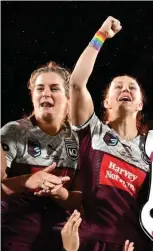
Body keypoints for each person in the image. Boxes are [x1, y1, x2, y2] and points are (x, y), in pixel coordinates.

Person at [70, 16, 152, 251]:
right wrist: (101, 35)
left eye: (132, 87)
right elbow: (76, 83)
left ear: (139, 105)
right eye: (118, 86)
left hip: (134, 245)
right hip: (90, 242)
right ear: (106, 102)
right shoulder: (93, 132)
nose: (125, 89)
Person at [1, 62, 80, 251]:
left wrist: (61, 193)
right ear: (33, 95)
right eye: (40, 88)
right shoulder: (14, 131)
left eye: (54, 88)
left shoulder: (78, 140)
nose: (46, 93)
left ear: (68, 98)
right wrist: (27, 181)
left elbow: (84, 201)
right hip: (14, 237)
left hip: (60, 241)